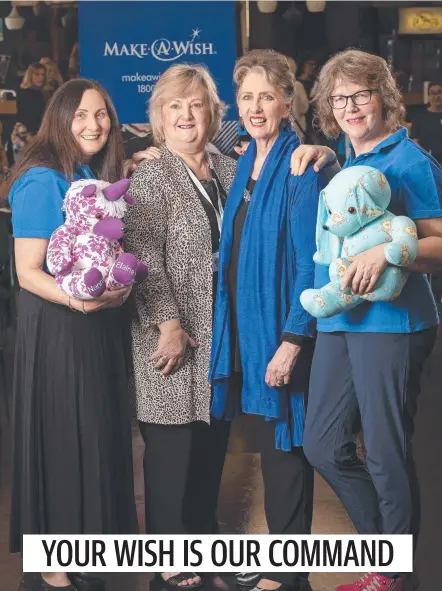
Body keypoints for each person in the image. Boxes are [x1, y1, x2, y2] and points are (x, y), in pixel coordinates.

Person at [291, 49, 442, 591]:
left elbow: (439, 242)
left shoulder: (410, 161)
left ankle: (390, 574)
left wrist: (389, 255)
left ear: (384, 96)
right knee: (322, 444)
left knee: (384, 452)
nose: (352, 106)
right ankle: (387, 553)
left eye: (362, 94)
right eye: (340, 98)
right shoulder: (344, 159)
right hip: (340, 323)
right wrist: (325, 159)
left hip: (393, 326)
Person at [8, 79, 138, 591]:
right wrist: (80, 301)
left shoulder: (86, 173)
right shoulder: (42, 179)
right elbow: (27, 272)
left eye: (102, 114)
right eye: (81, 115)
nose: (94, 125)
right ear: (60, 119)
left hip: (97, 325)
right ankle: (52, 572)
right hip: (59, 327)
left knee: (96, 435)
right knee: (62, 438)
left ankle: (84, 555)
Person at [209, 50, 324, 591]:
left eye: (266, 96)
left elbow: (310, 264)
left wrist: (291, 339)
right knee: (275, 443)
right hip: (248, 333)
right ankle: (283, 562)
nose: (255, 107)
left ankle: (290, 575)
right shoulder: (244, 165)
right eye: (246, 96)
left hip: (282, 332)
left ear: (287, 101)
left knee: (287, 445)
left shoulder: (300, 166)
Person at [124, 64, 237, 590]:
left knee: (212, 447)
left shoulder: (232, 172)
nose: (187, 115)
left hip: (222, 339)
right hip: (171, 336)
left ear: (213, 113)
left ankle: (202, 541)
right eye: (175, 106)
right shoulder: (151, 175)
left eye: (196, 104)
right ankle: (170, 552)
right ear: (159, 120)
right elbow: (142, 255)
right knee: (171, 451)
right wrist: (168, 323)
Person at [411, 80, 442, 165]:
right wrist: (426, 157)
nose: (436, 96)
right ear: (428, 96)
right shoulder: (419, 116)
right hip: (427, 162)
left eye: (439, 92)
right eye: (433, 93)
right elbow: (415, 141)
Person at [17, 62, 47, 136]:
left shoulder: (40, 94)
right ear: (30, 76)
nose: (41, 77)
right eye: (37, 74)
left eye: (43, 75)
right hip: (26, 135)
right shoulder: (24, 94)